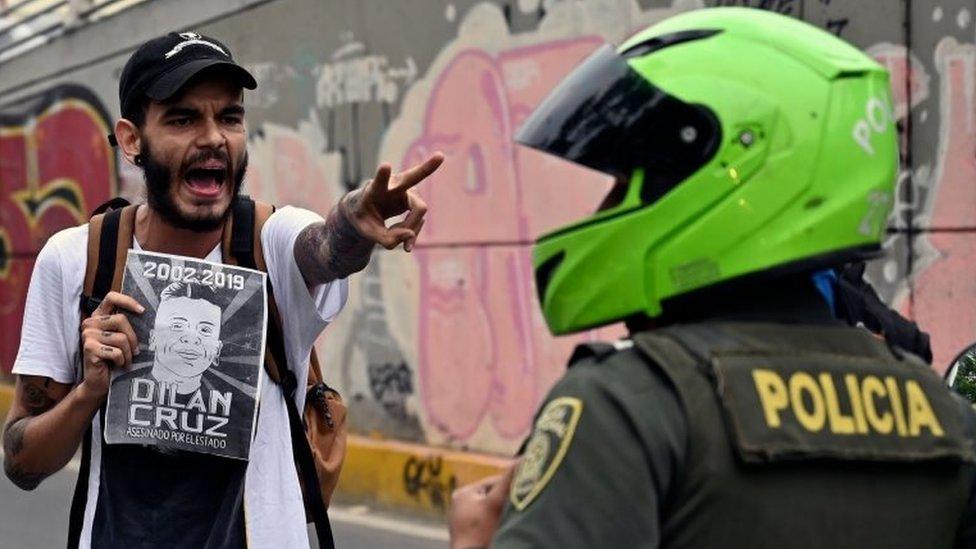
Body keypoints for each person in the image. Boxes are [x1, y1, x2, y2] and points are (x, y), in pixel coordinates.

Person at [450, 8, 976, 549]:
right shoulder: (949, 422)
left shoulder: (630, 405)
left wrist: (473, 542)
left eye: (631, 182)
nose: (601, 212)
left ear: (726, 176)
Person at [2, 31, 442, 548]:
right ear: (131, 139)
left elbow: (324, 247)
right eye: (183, 119)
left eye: (229, 117)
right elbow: (21, 462)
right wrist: (88, 392)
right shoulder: (77, 259)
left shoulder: (270, 242)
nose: (214, 138)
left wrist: (353, 221)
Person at [149, 282, 224, 394]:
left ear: (217, 350)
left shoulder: (234, 409)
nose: (192, 338)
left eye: (204, 330)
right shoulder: (117, 392)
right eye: (177, 325)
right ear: (153, 338)